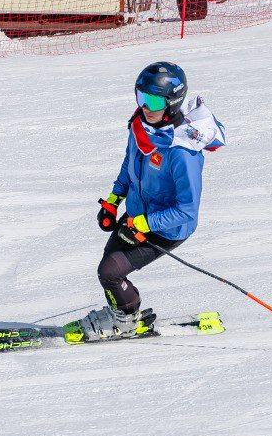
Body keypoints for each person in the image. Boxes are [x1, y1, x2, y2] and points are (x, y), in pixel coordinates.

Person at [65, 62, 226, 344]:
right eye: (141, 97)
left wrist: (144, 223)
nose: (146, 107)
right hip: (137, 215)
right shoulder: (141, 128)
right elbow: (130, 164)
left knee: (110, 272)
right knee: (108, 268)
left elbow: (187, 210)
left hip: (167, 228)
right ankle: (124, 311)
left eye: (154, 101)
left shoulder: (182, 152)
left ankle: (124, 321)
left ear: (172, 103)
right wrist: (113, 201)